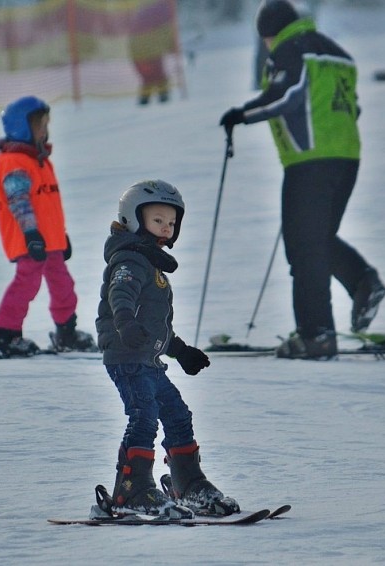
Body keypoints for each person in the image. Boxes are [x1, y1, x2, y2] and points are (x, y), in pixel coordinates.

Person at [219, 0, 385, 360]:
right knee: (318, 240)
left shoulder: (290, 50)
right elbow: (351, 107)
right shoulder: (336, 52)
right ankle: (362, 282)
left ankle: (317, 336)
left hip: (311, 162)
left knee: (304, 250)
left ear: (268, 34)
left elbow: (288, 94)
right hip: (347, 158)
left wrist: (242, 114)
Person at [95, 179, 239, 517]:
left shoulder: (153, 263)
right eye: (158, 219)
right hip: (127, 357)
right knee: (144, 416)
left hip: (148, 359)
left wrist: (181, 350)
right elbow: (121, 296)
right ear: (133, 218)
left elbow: (157, 326)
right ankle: (131, 490)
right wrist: (125, 324)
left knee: (177, 414)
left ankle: (187, 482)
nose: (166, 227)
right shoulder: (130, 259)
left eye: (171, 222)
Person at [0, 95, 94, 357]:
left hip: (50, 241)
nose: (45, 131)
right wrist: (31, 233)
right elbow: (19, 202)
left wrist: (62, 235)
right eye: (39, 125)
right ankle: (5, 335)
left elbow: (48, 206)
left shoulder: (41, 160)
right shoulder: (13, 162)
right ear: (21, 127)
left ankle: (66, 332)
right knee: (26, 285)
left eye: (46, 124)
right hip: (30, 240)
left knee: (63, 285)